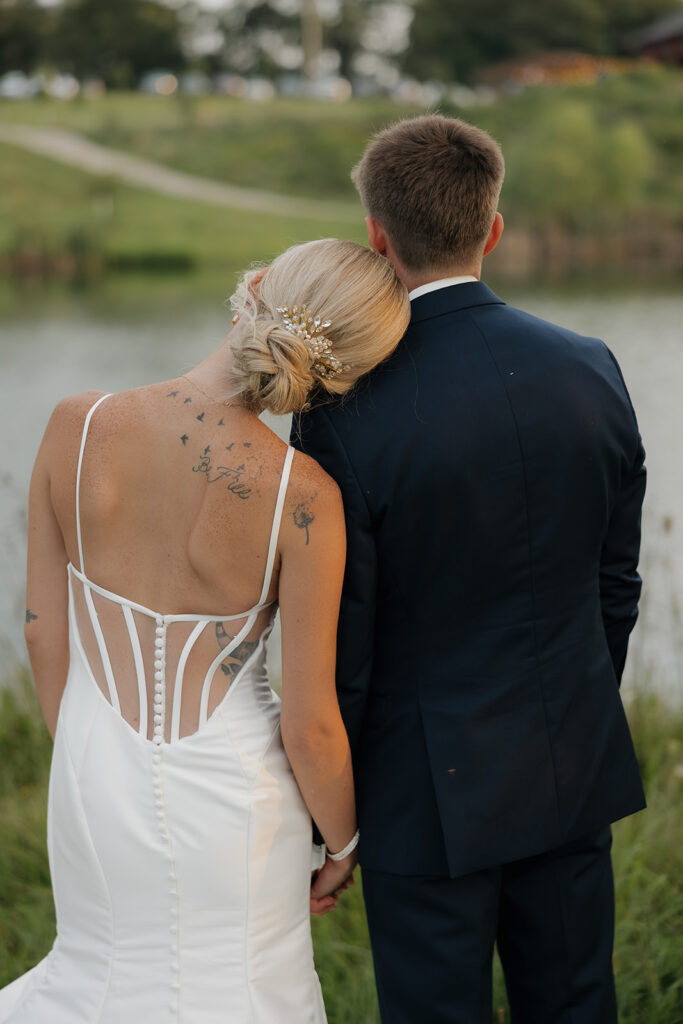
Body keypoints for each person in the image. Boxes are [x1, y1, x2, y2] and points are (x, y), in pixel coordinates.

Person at [0, 237, 410, 1024]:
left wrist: (86, 754)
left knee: (95, 976)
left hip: (91, 773)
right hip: (241, 808)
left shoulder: (77, 426)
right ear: (342, 376)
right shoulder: (305, 496)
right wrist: (343, 844)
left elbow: (43, 632)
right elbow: (310, 723)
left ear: (250, 285)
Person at [295, 116, 647, 1024]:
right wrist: (566, 707)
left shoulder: (343, 407)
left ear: (377, 238)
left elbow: (348, 632)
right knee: (575, 1006)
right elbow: (616, 582)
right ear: (493, 228)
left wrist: (332, 811)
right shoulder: (590, 366)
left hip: (421, 792)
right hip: (570, 763)